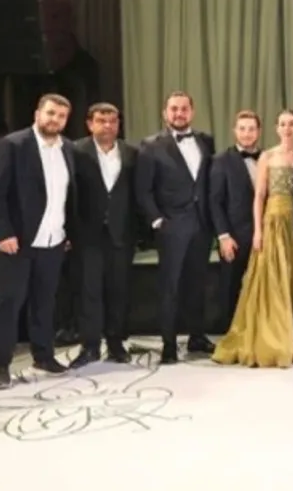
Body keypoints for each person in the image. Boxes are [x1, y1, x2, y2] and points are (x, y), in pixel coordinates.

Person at [213, 110, 293, 368]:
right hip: (272, 222)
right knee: (272, 280)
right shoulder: (267, 156)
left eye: (291, 124)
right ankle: (274, 341)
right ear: (276, 128)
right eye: (282, 124)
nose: (287, 128)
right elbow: (260, 196)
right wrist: (258, 231)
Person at [0, 93, 76, 388]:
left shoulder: (69, 148)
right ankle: (0, 363)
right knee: (9, 303)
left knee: (45, 302)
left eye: (61, 116)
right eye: (50, 113)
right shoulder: (11, 145)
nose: (55, 120)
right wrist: (2, 232)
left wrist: (67, 232)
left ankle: (44, 355)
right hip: (17, 241)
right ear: (37, 114)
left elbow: (67, 196)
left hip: (53, 240)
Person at [135, 91, 216, 364]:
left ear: (192, 112)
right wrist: (157, 220)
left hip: (202, 225)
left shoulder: (206, 140)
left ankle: (197, 337)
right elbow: (143, 189)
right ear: (165, 112)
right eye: (174, 109)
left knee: (197, 284)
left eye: (184, 109)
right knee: (169, 286)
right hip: (171, 226)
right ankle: (168, 344)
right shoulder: (150, 145)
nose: (179, 114)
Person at [68, 103, 139, 368]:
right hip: (87, 233)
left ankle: (116, 343)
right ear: (90, 124)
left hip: (121, 233)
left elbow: (135, 194)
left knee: (119, 290)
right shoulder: (75, 151)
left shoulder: (132, 152)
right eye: (101, 120)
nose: (108, 126)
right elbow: (68, 192)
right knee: (89, 291)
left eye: (113, 121)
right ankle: (90, 346)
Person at [209, 110, 262, 320]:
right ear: (234, 131)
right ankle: (230, 332)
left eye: (251, 129)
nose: (247, 133)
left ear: (258, 131)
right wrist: (224, 236)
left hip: (265, 235)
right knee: (231, 287)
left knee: (263, 287)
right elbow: (215, 202)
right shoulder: (221, 160)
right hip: (234, 237)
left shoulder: (267, 158)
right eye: (242, 129)